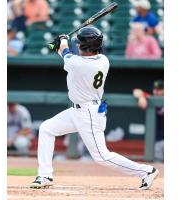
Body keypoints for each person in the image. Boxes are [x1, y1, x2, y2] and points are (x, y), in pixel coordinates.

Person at [30, 26, 159, 189]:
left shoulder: (79, 64)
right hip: (78, 111)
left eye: (80, 43)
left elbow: (65, 53)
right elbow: (66, 54)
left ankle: (146, 171)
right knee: (47, 128)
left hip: (88, 114)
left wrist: (62, 41)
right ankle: (45, 175)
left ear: (85, 46)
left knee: (101, 157)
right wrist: (61, 44)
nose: (77, 45)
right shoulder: (103, 60)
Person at [133, 80, 164, 162]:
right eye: (155, 89)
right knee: (158, 164)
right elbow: (136, 91)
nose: (156, 91)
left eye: (160, 89)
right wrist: (141, 97)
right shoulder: (150, 99)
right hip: (158, 141)